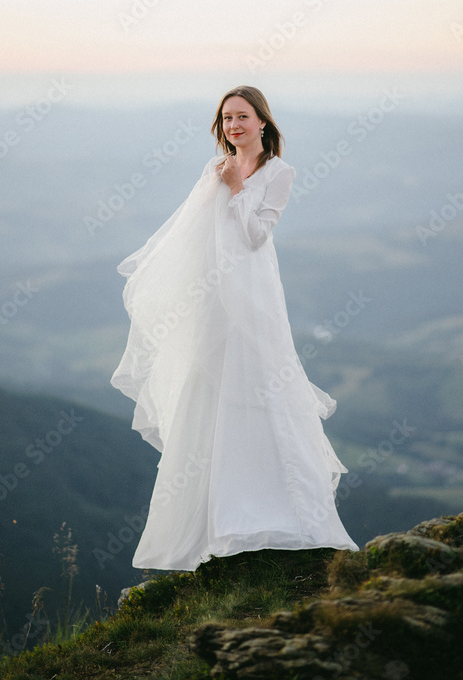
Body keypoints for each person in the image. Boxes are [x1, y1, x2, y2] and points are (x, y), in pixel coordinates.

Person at [111, 85, 358, 570]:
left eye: (242, 117)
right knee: (211, 392)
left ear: (263, 122)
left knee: (262, 385)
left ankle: (281, 514)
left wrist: (236, 188)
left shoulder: (278, 173)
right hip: (213, 299)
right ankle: (215, 523)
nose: (233, 126)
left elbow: (254, 234)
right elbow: (192, 234)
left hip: (254, 296)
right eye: (226, 119)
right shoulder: (214, 168)